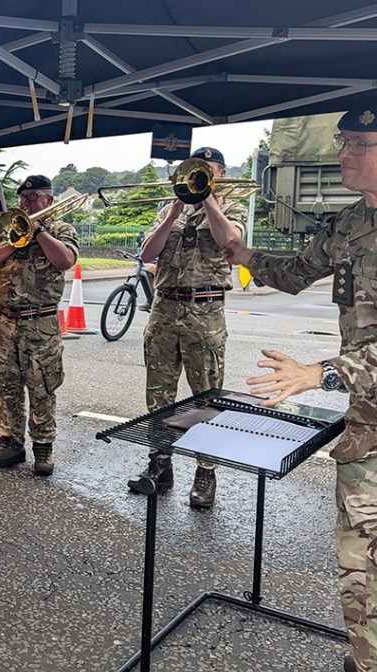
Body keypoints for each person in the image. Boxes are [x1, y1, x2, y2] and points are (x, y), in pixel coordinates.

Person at [224, 97, 377, 672]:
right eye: (342, 142)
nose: (344, 153)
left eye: (359, 145)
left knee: (371, 559)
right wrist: (243, 253)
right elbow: (296, 271)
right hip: (374, 406)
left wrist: (322, 373)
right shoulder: (356, 219)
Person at [127, 147, 247, 509]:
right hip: (164, 307)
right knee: (158, 395)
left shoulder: (233, 206)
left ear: (221, 174)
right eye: (194, 172)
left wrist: (207, 198)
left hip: (205, 310)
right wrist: (172, 215)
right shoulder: (169, 207)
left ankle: (205, 472)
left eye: (206, 171)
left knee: (206, 397)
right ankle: (160, 465)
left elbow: (232, 242)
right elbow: (147, 254)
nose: (197, 177)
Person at [0, 174, 78, 476]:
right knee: (5, 385)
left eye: (34, 198)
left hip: (40, 321)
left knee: (42, 387)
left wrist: (39, 232)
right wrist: (12, 242)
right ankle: (10, 440)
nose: (27, 202)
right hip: (5, 319)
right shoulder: (6, 228)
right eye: (23, 198)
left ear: (49, 200)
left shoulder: (62, 229)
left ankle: (43, 446)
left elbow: (65, 261)